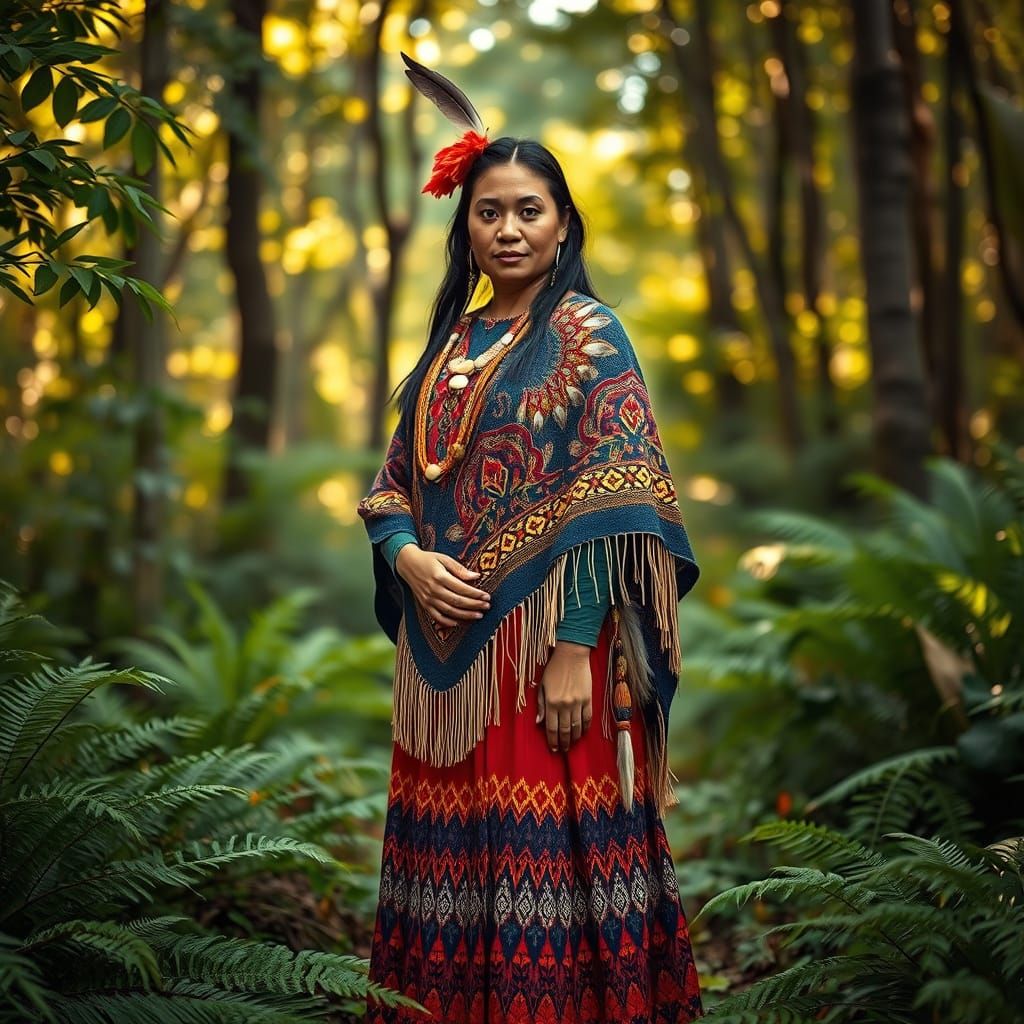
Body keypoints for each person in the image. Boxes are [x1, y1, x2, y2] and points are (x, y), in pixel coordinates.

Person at [357, 54, 702, 1023]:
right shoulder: (448, 349)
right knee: (451, 861)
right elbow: (389, 488)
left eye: (529, 210)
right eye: (488, 211)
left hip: (551, 663)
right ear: (464, 226)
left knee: (549, 861)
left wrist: (571, 648)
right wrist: (408, 560)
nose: (507, 228)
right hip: (443, 662)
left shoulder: (592, 336)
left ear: (562, 224)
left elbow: (618, 490)